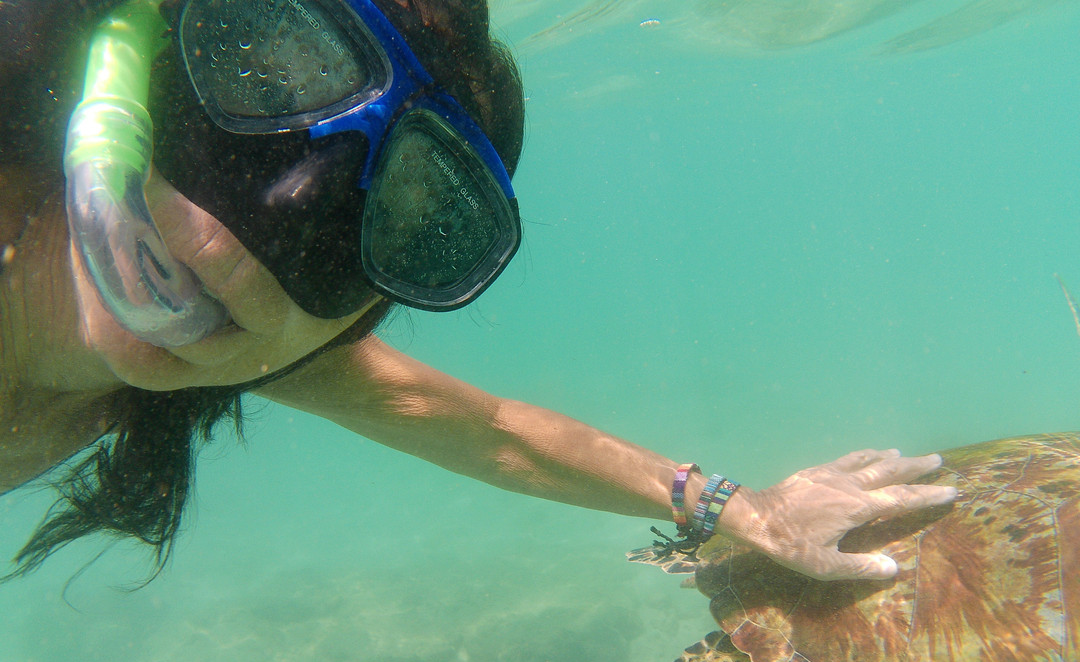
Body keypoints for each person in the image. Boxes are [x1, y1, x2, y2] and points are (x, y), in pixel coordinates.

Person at [0, 0, 956, 587]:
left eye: (398, 227)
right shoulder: (242, 329)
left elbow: (494, 431)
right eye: (256, 79)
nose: (234, 249)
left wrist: (751, 514)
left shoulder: (250, 345)